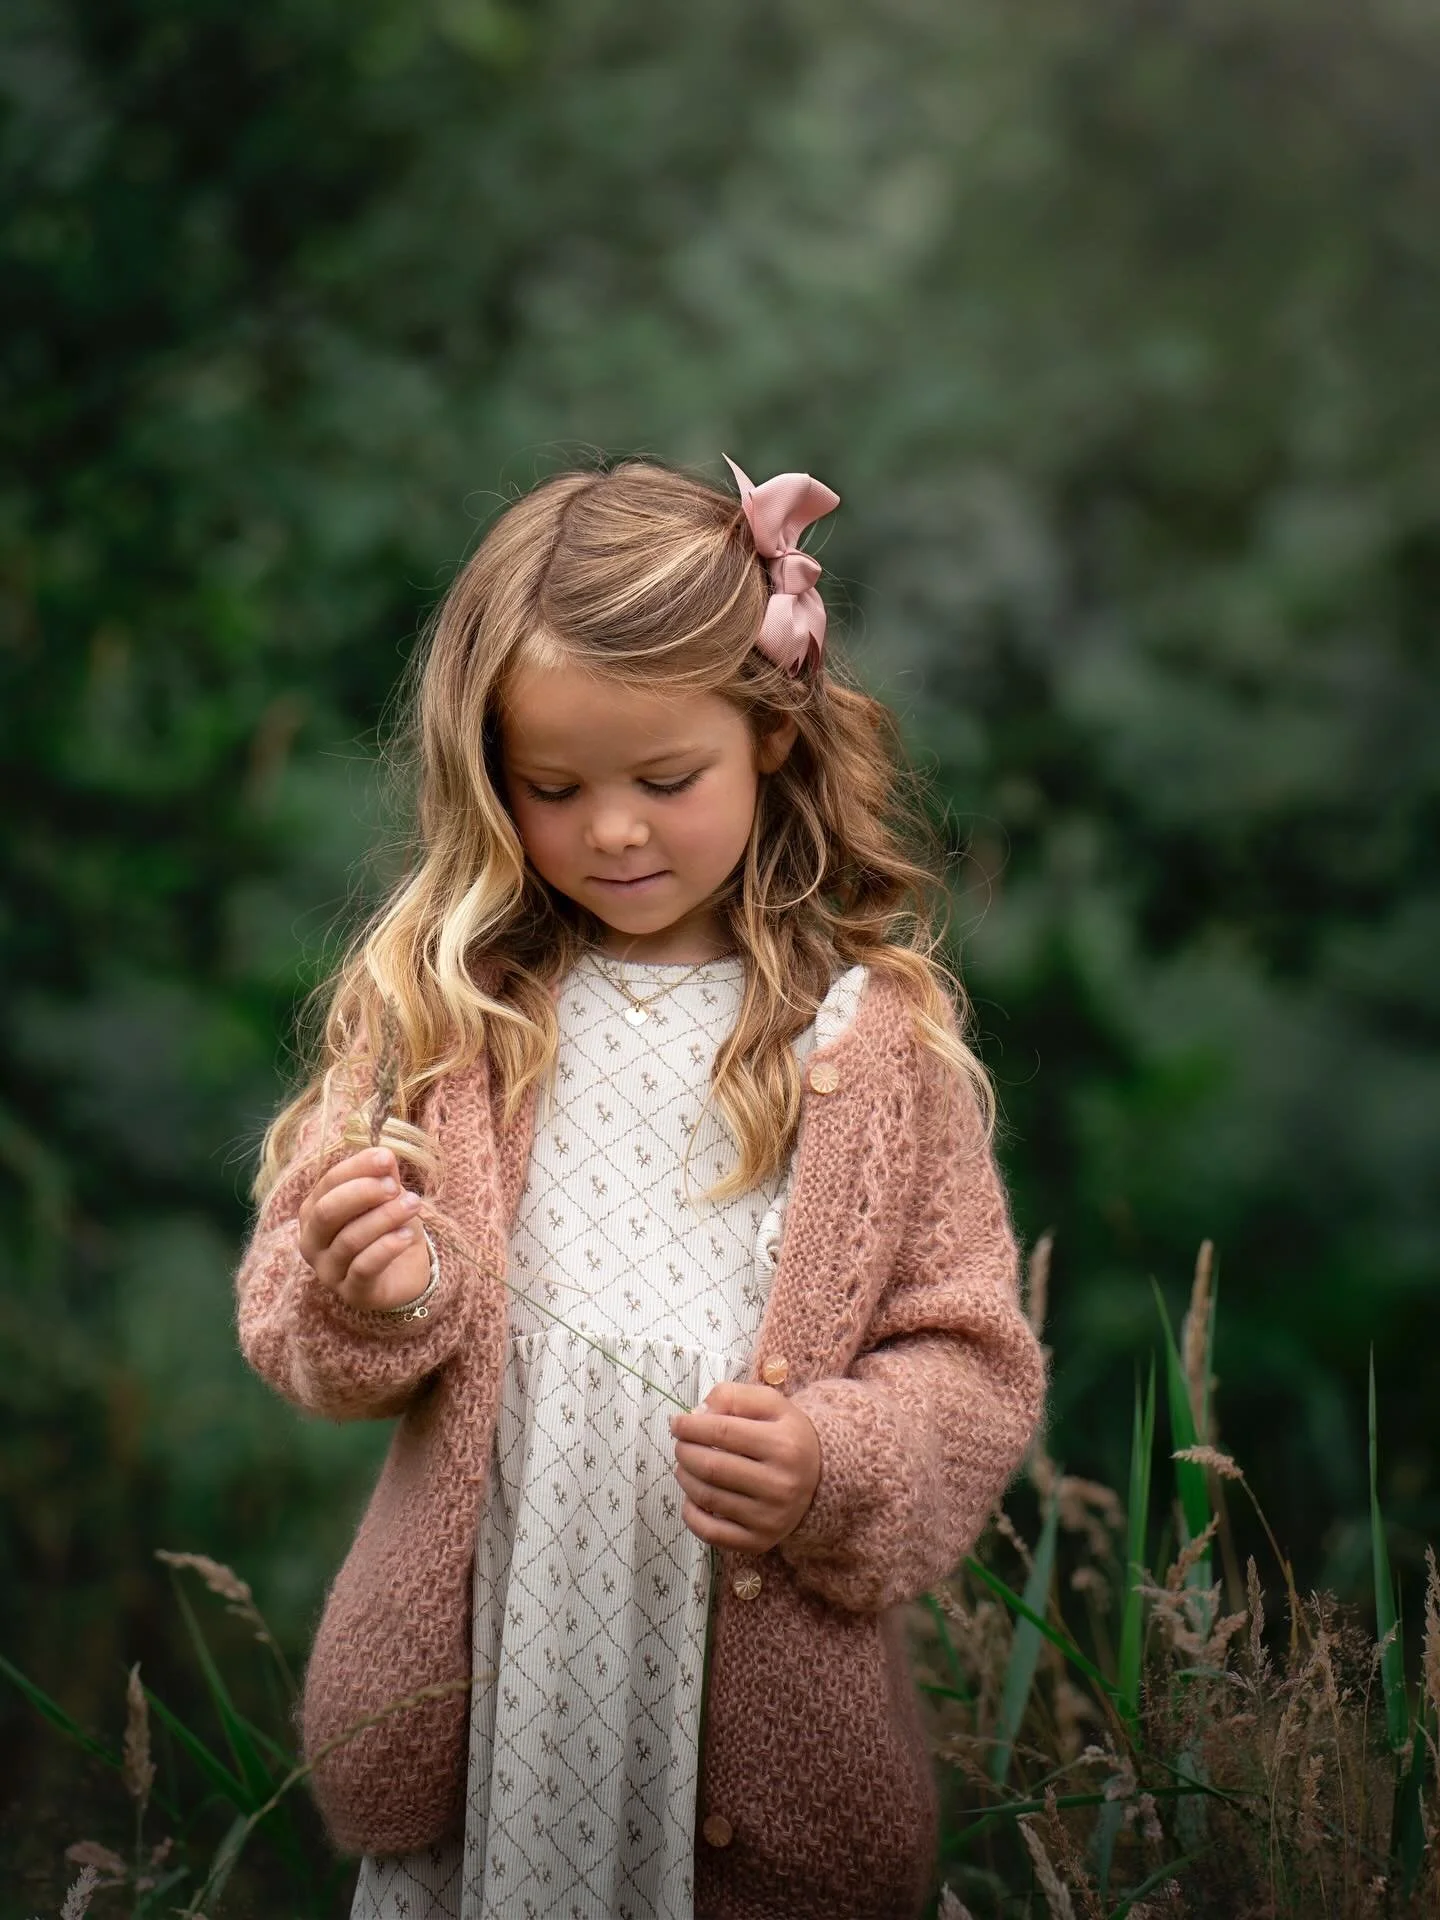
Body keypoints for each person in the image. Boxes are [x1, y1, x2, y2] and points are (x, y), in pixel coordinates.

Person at [235, 453, 1048, 1920]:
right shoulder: (444, 1014)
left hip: (736, 1691)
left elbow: (970, 1362)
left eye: (667, 780)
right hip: (505, 1685)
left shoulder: (872, 1044)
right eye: (555, 788)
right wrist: (371, 1288)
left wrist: (831, 1463)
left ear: (773, 741)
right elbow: (300, 1325)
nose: (614, 830)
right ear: (492, 777)